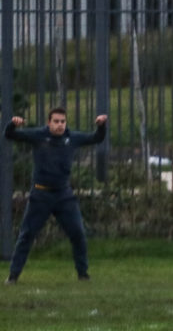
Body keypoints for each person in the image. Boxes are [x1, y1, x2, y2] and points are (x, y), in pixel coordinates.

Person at [4, 108, 107, 284]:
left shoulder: (71, 138)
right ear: (49, 122)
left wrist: (101, 127)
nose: (60, 125)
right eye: (56, 121)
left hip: (63, 195)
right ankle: (13, 276)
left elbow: (96, 138)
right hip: (41, 194)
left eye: (62, 122)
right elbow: (10, 135)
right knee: (27, 235)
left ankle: (83, 274)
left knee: (78, 234)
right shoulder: (39, 136)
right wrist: (12, 124)